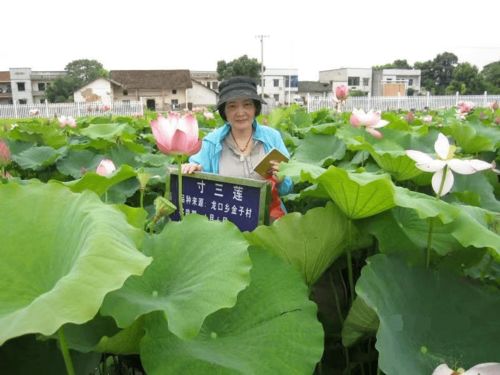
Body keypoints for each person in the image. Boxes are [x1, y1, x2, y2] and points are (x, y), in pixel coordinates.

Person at [182, 76, 293, 218]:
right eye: (232, 106)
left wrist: (282, 180)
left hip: (270, 220)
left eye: (247, 105)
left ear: (255, 108)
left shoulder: (272, 137)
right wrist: (192, 171)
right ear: (224, 112)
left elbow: (288, 187)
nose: (240, 112)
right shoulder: (211, 142)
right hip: (227, 223)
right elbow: (196, 186)